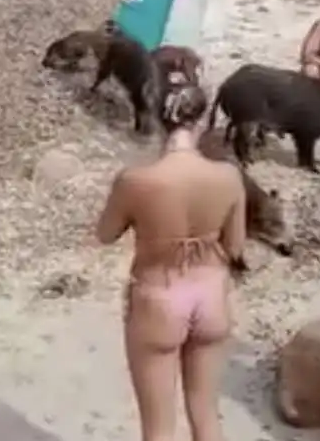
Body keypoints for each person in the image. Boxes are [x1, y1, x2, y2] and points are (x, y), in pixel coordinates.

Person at [96, 81, 246, 441]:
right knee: (206, 414)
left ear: (159, 118)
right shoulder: (228, 176)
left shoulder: (136, 181)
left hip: (159, 295)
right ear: (201, 120)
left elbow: (105, 234)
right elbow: (236, 247)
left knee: (159, 428)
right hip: (210, 295)